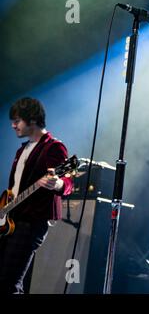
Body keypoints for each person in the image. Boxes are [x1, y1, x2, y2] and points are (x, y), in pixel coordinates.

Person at [0, 97, 74, 293]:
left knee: (10, 283)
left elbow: (68, 184)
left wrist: (56, 183)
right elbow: (14, 189)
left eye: (17, 121)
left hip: (31, 223)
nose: (13, 125)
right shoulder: (21, 150)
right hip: (10, 219)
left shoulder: (53, 147)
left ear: (32, 119)